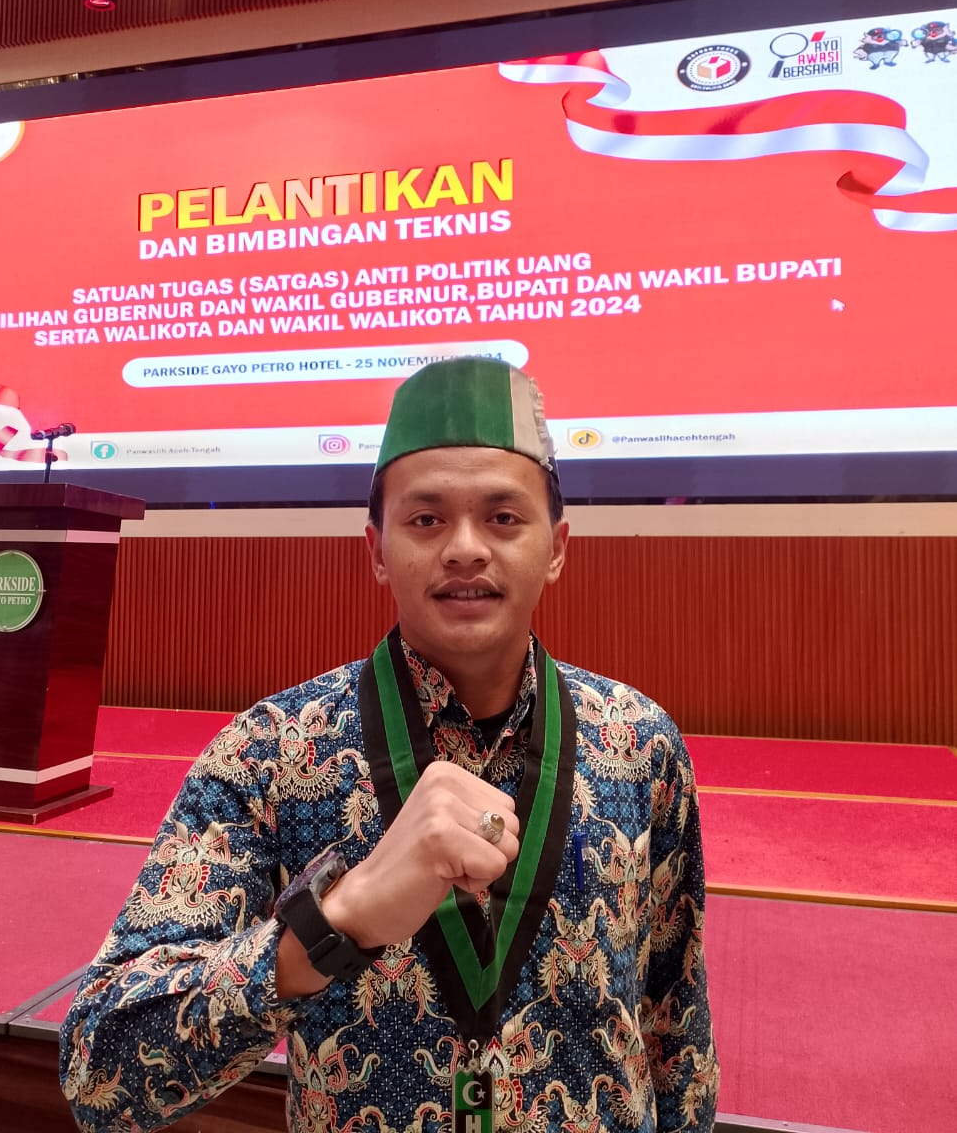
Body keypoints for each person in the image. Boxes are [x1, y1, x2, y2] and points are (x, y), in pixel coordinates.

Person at [60, 356, 719, 1132]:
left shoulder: (639, 742)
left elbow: (675, 1024)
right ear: (376, 549)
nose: (465, 548)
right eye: (425, 519)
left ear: (556, 546)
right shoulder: (270, 753)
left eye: (503, 518)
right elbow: (98, 1074)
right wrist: (334, 924)